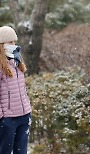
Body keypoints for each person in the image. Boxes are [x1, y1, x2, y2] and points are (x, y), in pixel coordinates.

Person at [0, 26, 32, 154]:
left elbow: (22, 89)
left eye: (14, 41)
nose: (13, 45)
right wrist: (2, 116)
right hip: (7, 119)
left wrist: (28, 109)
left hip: (24, 116)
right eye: (9, 42)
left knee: (21, 152)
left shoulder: (17, 59)